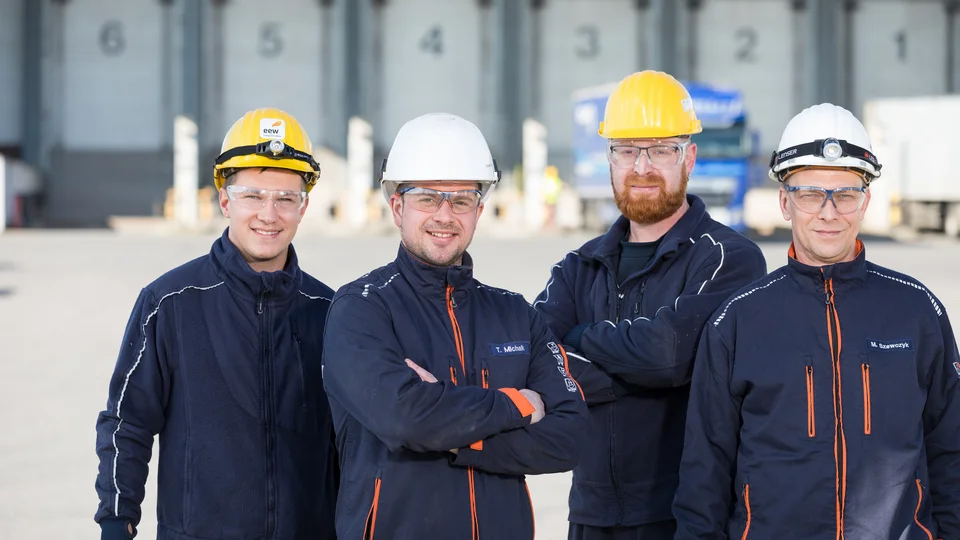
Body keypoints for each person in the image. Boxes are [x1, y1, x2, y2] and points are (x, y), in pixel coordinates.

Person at [673, 103, 960, 539]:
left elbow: (952, 452)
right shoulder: (737, 321)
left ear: (866, 201)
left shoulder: (918, 311)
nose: (829, 212)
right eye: (810, 193)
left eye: (845, 194)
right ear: (785, 202)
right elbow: (703, 476)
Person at [321, 112, 589, 540]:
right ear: (397, 206)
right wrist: (515, 405)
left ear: (479, 211)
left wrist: (457, 437)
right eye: (427, 198)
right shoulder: (362, 309)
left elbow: (569, 437)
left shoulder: (515, 314)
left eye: (461, 200)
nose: (445, 215)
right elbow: (404, 418)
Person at [531, 70, 768, 540]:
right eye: (627, 150)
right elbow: (535, 357)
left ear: (690, 157)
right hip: (592, 516)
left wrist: (577, 340)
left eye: (661, 150)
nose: (642, 167)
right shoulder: (578, 267)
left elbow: (667, 354)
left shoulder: (730, 260)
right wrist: (638, 369)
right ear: (610, 159)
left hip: (686, 515)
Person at [94, 108, 338, 540]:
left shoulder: (330, 310)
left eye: (286, 198)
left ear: (304, 207)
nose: (269, 214)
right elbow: (126, 423)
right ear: (225, 200)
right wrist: (117, 521)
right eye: (253, 196)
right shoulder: (168, 304)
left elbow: (351, 443)